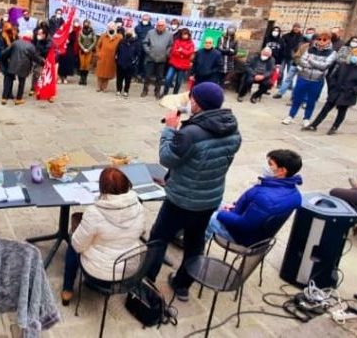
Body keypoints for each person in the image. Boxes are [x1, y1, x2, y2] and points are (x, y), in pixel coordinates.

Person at [146, 82, 242, 301]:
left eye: (192, 99)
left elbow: (167, 158)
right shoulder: (233, 129)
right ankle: (182, 286)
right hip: (209, 198)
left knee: (159, 238)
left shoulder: (191, 133)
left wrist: (170, 130)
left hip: (181, 199)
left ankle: (147, 276)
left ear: (197, 103)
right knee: (195, 242)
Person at [60, 167, 145, 304]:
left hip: (100, 273)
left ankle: (67, 290)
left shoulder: (94, 213)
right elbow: (142, 231)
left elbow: (78, 245)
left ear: (102, 188)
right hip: (128, 270)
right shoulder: (138, 207)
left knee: (73, 244)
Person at [206, 150, 302, 246]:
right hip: (257, 234)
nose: (266, 166)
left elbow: (244, 225)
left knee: (202, 219)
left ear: (282, 170)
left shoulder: (265, 198)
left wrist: (222, 214)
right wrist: (234, 206)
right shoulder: (294, 193)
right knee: (212, 201)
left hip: (242, 237)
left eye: (270, 164)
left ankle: (194, 253)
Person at [304, 47, 357, 135]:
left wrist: (353, 90)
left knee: (341, 112)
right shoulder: (343, 65)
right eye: (353, 55)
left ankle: (334, 127)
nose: (354, 57)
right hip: (336, 91)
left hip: (348, 93)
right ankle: (314, 125)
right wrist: (333, 85)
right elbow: (333, 76)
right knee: (325, 109)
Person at [282, 33, 337, 128]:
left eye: (324, 39)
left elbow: (324, 66)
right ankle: (290, 116)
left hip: (317, 80)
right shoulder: (309, 49)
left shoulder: (332, 53)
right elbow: (302, 61)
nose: (321, 41)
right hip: (303, 77)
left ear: (329, 41)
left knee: (311, 101)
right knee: (297, 98)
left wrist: (311, 61)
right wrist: (315, 64)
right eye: (319, 39)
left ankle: (306, 118)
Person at [1, 31, 43, 105]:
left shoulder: (16, 42)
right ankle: (18, 99)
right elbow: (35, 57)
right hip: (24, 66)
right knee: (21, 82)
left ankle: (4, 98)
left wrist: (3, 60)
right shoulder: (31, 46)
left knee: (8, 80)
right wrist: (43, 62)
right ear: (30, 37)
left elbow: (6, 52)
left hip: (13, 64)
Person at [274, 24, 307, 99]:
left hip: (294, 58)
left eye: (298, 27)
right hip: (284, 56)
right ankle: (279, 84)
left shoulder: (302, 38)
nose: (296, 28)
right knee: (281, 71)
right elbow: (282, 45)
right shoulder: (286, 36)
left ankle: (290, 86)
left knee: (290, 73)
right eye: (295, 27)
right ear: (292, 27)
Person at [141, 19, 172, 98]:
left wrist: (166, 53)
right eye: (159, 25)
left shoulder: (169, 34)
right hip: (150, 58)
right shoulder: (150, 32)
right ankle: (145, 90)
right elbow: (145, 43)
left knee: (159, 77)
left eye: (162, 25)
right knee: (147, 76)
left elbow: (170, 45)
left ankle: (157, 91)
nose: (160, 27)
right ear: (156, 25)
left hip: (162, 59)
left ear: (165, 26)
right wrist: (148, 51)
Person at [163, 28, 195, 95]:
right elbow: (174, 51)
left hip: (183, 66)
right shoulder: (177, 41)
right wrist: (183, 54)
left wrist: (181, 50)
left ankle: (175, 95)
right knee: (168, 78)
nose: (184, 36)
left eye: (186, 34)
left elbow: (189, 53)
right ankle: (165, 93)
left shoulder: (191, 43)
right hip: (174, 63)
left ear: (189, 35)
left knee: (178, 81)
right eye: (183, 34)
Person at [94, 22, 122, 92]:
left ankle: (105, 87)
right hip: (102, 57)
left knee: (107, 73)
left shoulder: (119, 37)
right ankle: (98, 86)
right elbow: (98, 46)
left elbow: (121, 47)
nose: (111, 28)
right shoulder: (103, 36)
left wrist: (118, 55)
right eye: (110, 27)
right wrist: (98, 53)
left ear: (115, 28)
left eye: (113, 27)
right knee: (100, 72)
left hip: (111, 58)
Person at [115, 29, 142, 98]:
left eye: (130, 32)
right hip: (120, 63)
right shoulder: (121, 41)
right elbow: (116, 51)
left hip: (130, 64)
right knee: (119, 78)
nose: (128, 33)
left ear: (133, 33)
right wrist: (117, 60)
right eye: (127, 32)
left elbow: (138, 54)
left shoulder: (136, 43)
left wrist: (134, 61)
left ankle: (126, 91)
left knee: (128, 79)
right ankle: (118, 90)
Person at [57, 19, 80, 84]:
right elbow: (59, 37)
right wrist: (63, 40)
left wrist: (68, 40)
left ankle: (65, 78)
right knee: (61, 63)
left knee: (67, 63)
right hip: (62, 48)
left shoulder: (73, 32)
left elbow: (74, 39)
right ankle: (60, 77)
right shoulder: (63, 30)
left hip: (69, 49)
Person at [30, 27, 51, 95]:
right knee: (36, 73)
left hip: (47, 60)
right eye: (38, 34)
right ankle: (33, 88)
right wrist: (40, 58)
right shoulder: (38, 40)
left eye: (40, 34)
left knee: (45, 75)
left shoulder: (49, 41)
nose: (38, 35)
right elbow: (36, 50)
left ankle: (43, 88)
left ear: (44, 34)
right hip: (39, 59)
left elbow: (46, 51)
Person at [77, 20, 97, 86]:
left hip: (89, 50)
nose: (86, 24)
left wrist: (88, 49)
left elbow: (94, 41)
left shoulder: (92, 32)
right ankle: (81, 79)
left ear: (89, 24)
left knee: (87, 65)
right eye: (85, 23)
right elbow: (79, 41)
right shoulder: (80, 31)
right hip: (82, 51)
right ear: (83, 24)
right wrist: (83, 48)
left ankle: (85, 79)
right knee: (82, 64)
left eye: (87, 23)